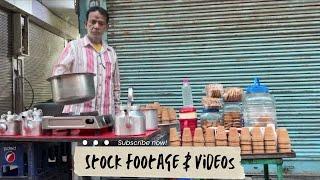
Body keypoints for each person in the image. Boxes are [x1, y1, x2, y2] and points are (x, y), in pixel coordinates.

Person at [52, 6, 120, 116]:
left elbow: (116, 87)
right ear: (85, 24)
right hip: (78, 116)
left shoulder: (111, 52)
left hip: (105, 116)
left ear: (106, 27)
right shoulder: (73, 47)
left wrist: (117, 113)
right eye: (93, 22)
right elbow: (58, 74)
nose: (96, 26)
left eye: (101, 23)